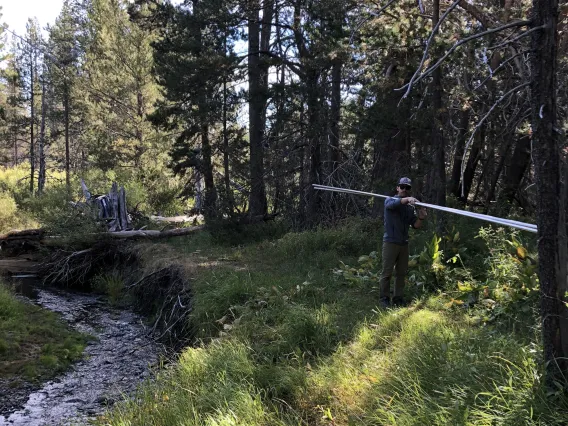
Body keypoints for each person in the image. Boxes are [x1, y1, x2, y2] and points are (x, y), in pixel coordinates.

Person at [379, 177, 427, 308]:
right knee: (387, 272)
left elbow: (415, 225)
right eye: (402, 187)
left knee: (401, 273)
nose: (404, 189)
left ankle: (398, 298)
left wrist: (421, 217)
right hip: (390, 242)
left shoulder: (409, 208)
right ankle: (384, 298)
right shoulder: (390, 200)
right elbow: (393, 205)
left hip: (404, 243)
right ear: (397, 188)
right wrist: (407, 200)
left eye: (407, 188)